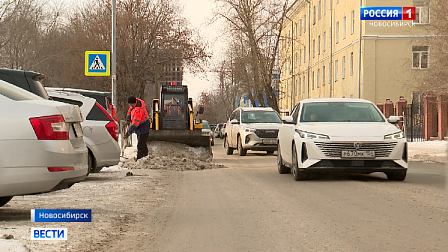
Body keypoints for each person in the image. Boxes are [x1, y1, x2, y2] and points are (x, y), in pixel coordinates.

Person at [125, 96, 150, 161]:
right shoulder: (133, 106)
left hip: (143, 127)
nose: (130, 106)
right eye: (129, 104)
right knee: (142, 143)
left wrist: (129, 132)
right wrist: (128, 117)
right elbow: (130, 111)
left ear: (134, 103)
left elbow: (135, 124)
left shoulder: (138, 110)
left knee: (140, 144)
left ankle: (140, 158)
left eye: (131, 104)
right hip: (139, 127)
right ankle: (145, 156)